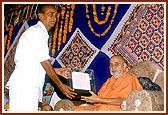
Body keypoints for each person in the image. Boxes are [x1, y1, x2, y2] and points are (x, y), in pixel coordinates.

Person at [5, 4, 77, 111]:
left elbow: (34, 63)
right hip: (25, 85)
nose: (54, 18)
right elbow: (45, 63)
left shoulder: (40, 33)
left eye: (55, 15)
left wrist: (58, 71)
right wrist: (61, 86)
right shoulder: (37, 32)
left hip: (27, 84)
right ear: (40, 16)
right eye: (50, 14)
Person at [74, 55, 143, 111]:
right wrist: (91, 98)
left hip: (120, 109)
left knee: (103, 109)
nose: (113, 67)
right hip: (102, 107)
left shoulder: (130, 78)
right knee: (79, 109)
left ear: (124, 66)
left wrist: (99, 100)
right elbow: (99, 98)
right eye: (111, 65)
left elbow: (124, 100)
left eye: (116, 64)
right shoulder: (109, 81)